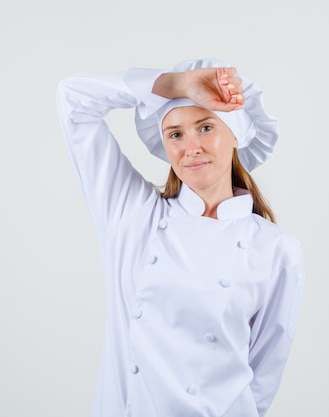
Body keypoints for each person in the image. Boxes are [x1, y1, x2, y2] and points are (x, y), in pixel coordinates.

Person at [56, 58, 305, 417]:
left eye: (205, 127)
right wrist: (177, 85)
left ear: (236, 136)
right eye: (175, 133)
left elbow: (262, 378)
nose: (191, 148)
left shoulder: (276, 249)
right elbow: (73, 99)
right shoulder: (131, 215)